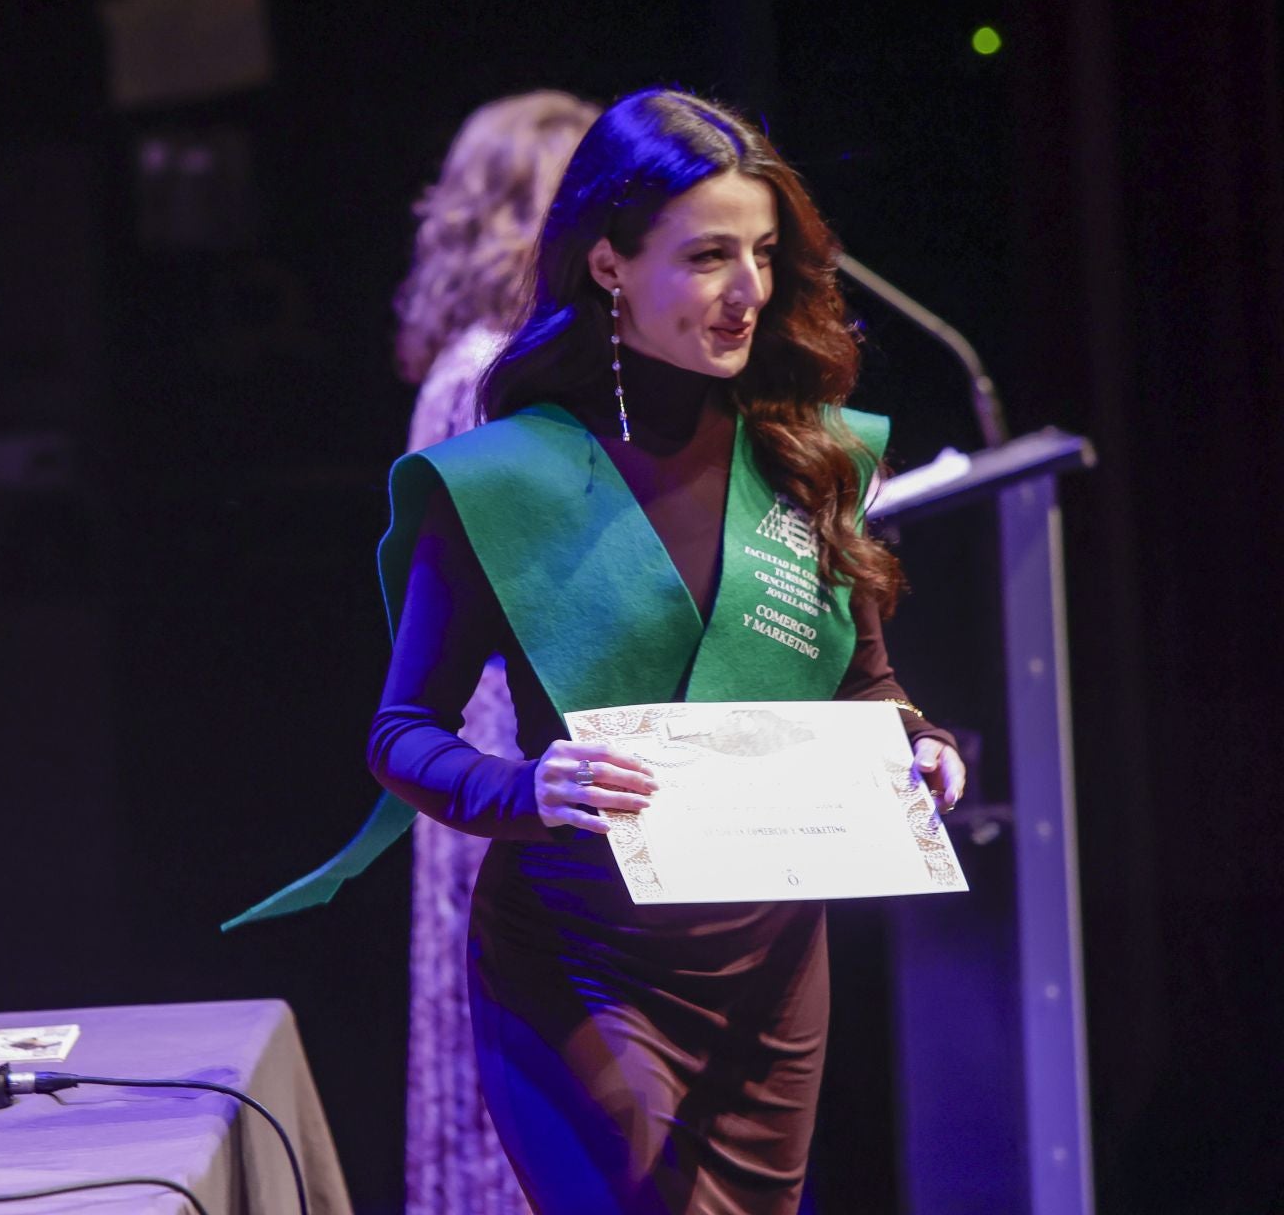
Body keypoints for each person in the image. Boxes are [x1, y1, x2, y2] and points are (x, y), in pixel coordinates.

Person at [366, 89, 967, 1214]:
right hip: (581, 956)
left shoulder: (808, 458)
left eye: (762, 253)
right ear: (607, 264)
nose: (747, 289)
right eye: (706, 257)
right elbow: (401, 735)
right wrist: (526, 785)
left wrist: (922, 745)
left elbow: (867, 685)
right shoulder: (506, 477)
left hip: (771, 970)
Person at [392, 89, 598, 1215]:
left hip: (511, 741)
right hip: (499, 746)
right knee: (523, 1053)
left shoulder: (489, 363)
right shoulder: (485, 375)